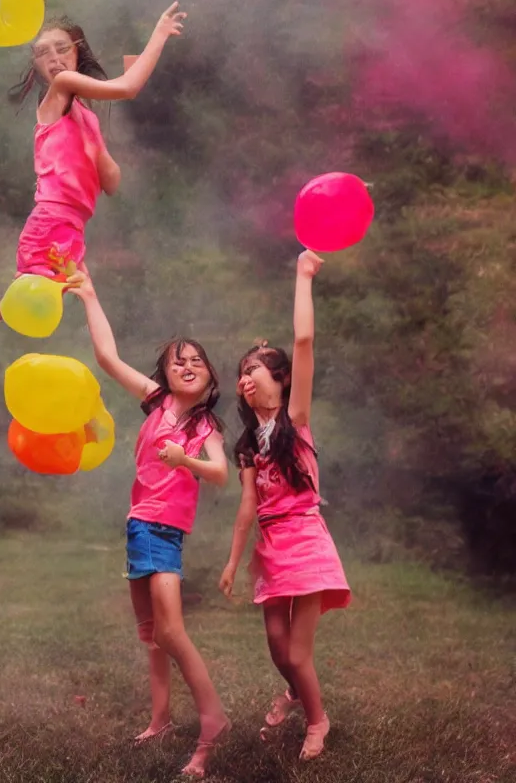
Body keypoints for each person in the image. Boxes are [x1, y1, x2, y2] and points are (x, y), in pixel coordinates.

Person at [0, 5, 187, 402]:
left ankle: (148, 394)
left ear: (77, 50)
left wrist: (96, 151)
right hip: (53, 220)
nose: (53, 58)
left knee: (86, 312)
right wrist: (157, 35)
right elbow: (128, 88)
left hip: (72, 228)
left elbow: (112, 182)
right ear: (36, 66)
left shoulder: (84, 114)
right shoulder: (62, 88)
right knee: (14, 303)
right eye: (42, 53)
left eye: (61, 49)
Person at [70, 271, 231, 777]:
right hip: (139, 526)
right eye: (177, 361)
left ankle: (213, 721)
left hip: (164, 532)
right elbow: (107, 358)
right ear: (163, 373)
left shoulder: (203, 425)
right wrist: (90, 294)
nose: (186, 366)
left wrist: (185, 461)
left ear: (210, 378)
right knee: (150, 634)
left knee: (172, 631)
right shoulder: (158, 401)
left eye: (196, 361)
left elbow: (222, 474)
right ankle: (160, 719)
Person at [218, 250, 351, 762]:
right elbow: (248, 506)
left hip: (306, 542)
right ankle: (297, 691)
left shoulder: (296, 420)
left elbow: (302, 340)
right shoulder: (250, 443)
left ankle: (317, 720)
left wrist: (301, 275)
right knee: (277, 648)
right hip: (270, 547)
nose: (248, 377)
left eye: (257, 369)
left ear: (283, 379)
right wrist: (233, 562)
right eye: (243, 372)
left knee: (298, 651)